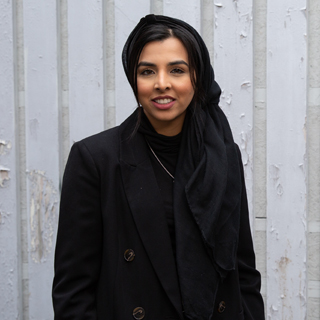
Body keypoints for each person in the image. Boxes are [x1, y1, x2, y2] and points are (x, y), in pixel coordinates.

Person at [52, 14, 265, 320]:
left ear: (197, 77)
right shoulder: (95, 160)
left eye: (177, 70)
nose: (161, 83)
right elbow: (73, 292)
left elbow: (243, 274)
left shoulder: (223, 157)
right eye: (147, 71)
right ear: (133, 79)